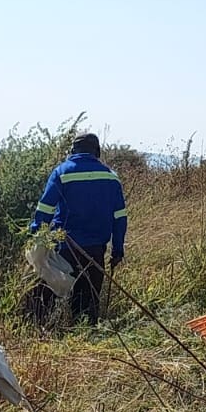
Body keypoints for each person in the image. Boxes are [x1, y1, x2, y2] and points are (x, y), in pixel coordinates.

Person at [28, 132, 128, 325]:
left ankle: (40, 330)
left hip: (63, 248)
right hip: (96, 251)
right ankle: (84, 334)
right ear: (97, 151)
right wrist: (117, 250)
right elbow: (120, 218)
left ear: (73, 150)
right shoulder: (111, 177)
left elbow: (45, 209)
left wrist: (36, 237)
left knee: (47, 295)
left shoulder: (62, 172)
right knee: (87, 303)